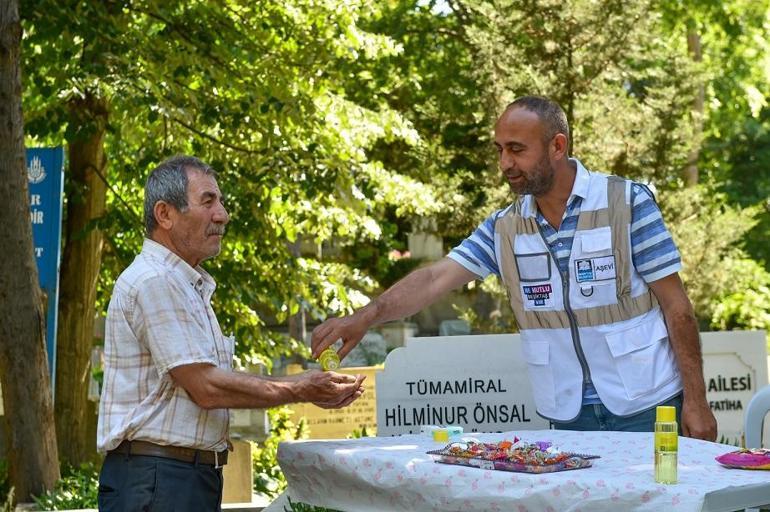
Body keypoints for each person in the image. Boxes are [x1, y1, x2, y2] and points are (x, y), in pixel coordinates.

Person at [312, 96, 717, 441]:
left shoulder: (627, 204)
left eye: (517, 149)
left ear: (557, 146)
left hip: (648, 406)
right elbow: (435, 278)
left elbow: (677, 307)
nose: (505, 163)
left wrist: (696, 401)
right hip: (568, 415)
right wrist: (367, 315)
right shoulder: (504, 226)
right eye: (499, 150)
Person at [97, 155, 365, 511]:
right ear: (165, 214)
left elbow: (208, 383)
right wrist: (301, 388)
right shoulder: (155, 279)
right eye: (208, 201)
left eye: (220, 202)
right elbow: (206, 387)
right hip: (159, 479)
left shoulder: (182, 283)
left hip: (174, 477)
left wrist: (303, 386)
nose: (222, 215)